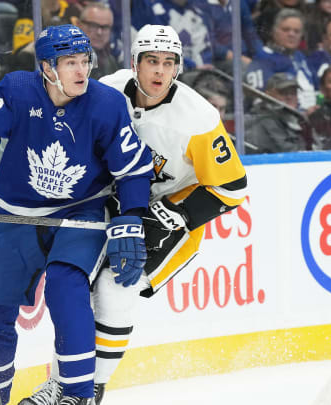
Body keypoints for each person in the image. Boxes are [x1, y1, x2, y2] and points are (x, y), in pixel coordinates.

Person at [0, 24, 153, 405]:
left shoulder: (106, 104)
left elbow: (133, 169)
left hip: (80, 215)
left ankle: (77, 394)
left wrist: (131, 217)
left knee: (65, 287)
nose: (82, 72)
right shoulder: (17, 89)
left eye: (85, 62)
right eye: (70, 63)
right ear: (46, 67)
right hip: (18, 217)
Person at [18, 24, 248, 405]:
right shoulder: (107, 90)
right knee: (74, 283)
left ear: (178, 68)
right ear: (134, 63)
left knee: (116, 283)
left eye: (169, 62)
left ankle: (91, 389)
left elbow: (233, 187)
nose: (159, 71)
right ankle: (61, 384)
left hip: (169, 215)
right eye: (151, 61)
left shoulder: (198, 118)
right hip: (111, 203)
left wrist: (170, 215)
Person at [245, 8, 317, 111]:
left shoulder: (300, 56)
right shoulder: (263, 58)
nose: (291, 34)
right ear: (274, 31)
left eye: (296, 31)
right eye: (286, 30)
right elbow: (260, 101)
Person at [245, 72, 312, 153]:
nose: (289, 97)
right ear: (268, 94)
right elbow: (288, 152)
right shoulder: (263, 119)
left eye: (293, 93)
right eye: (283, 92)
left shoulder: (299, 119)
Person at [75, 2, 117, 80]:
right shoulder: (67, 59)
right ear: (78, 25)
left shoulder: (111, 61)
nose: (99, 32)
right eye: (93, 25)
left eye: (105, 27)